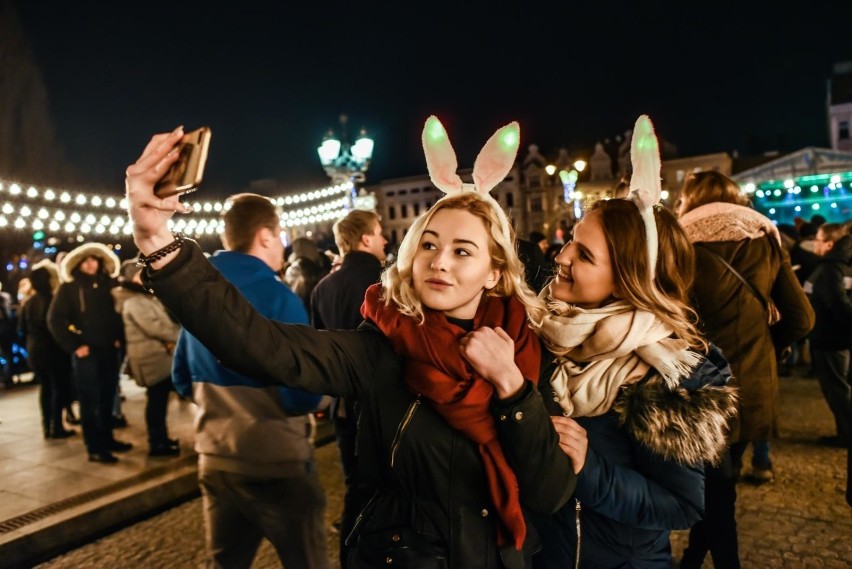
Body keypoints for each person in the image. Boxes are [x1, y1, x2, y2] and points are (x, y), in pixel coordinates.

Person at [127, 118, 577, 569]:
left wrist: (512, 388)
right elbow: (262, 344)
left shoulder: (525, 350)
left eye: (462, 251)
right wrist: (157, 241)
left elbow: (550, 491)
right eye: (428, 245)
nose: (440, 262)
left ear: (494, 271)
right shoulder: (381, 348)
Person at [520, 116, 737, 568]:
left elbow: (681, 505)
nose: (560, 257)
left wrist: (589, 469)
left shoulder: (665, 375)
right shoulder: (543, 334)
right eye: (569, 243)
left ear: (627, 280)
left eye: (584, 254)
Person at [168, 192, 331, 569]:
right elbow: (302, 395)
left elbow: (180, 377)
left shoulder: (198, 294)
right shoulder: (279, 298)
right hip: (275, 460)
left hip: (216, 457)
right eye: (281, 236)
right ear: (264, 236)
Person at [676, 169, 814, 568]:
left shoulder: (680, 243)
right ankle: (691, 558)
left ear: (690, 199)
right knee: (721, 486)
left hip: (702, 387)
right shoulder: (764, 238)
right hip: (752, 384)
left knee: (718, 489)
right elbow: (801, 318)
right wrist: (768, 347)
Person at [309, 207, 386, 567]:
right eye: (380, 231)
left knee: (354, 485)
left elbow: (320, 355)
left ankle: (350, 557)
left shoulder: (322, 288)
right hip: (386, 404)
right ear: (366, 238)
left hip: (343, 405)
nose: (385, 239)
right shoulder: (389, 280)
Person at [47, 243, 131, 464]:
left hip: (109, 351)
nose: (90, 263)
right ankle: (94, 447)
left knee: (107, 397)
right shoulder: (70, 288)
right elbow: (55, 320)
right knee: (90, 400)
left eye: (94, 259)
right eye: (85, 260)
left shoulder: (109, 285)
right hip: (86, 354)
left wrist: (117, 339)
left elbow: (118, 314)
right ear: (77, 264)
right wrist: (75, 345)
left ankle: (108, 439)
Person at [118, 260, 183, 456]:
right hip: (151, 359)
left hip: (159, 356)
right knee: (156, 401)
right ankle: (157, 443)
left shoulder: (145, 297)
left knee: (159, 400)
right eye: (140, 275)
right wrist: (181, 335)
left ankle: (161, 439)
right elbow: (155, 327)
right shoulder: (134, 301)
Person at [804, 222, 852, 448]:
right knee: (838, 388)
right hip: (831, 336)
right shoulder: (835, 266)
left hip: (830, 338)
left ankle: (846, 434)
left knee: (838, 390)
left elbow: (838, 304)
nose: (815, 243)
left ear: (830, 244)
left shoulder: (830, 269)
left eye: (819, 239)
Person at [18, 266, 75, 438]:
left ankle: (47, 425)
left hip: (35, 350)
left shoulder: (28, 302)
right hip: (53, 350)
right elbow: (56, 326)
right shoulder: (52, 299)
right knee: (58, 387)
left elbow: (21, 329)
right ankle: (56, 426)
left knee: (45, 388)